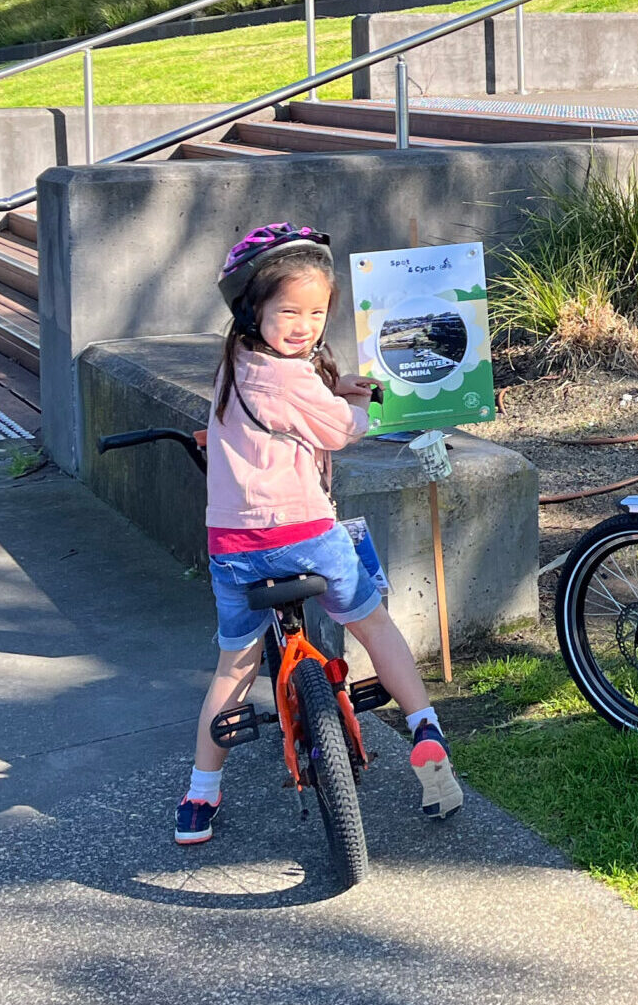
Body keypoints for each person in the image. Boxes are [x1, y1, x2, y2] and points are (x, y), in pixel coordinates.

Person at [174, 223, 465, 845]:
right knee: (373, 624)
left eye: (315, 312)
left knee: (234, 667)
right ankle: (425, 726)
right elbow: (340, 431)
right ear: (255, 310)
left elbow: (280, 398)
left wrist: (328, 386)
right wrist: (361, 405)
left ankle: (200, 795)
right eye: (290, 312)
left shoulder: (233, 365)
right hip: (307, 535)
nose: (304, 325)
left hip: (233, 548)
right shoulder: (296, 379)